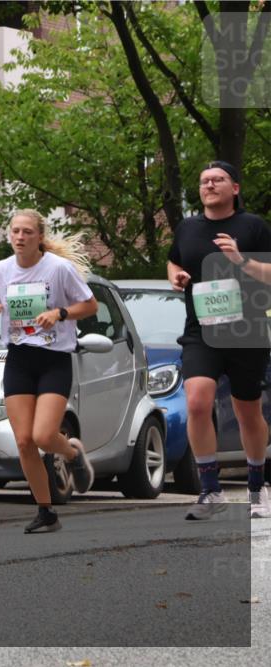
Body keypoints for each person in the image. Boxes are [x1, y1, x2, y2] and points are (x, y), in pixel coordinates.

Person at [0, 209, 98, 533]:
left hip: (54, 359)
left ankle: (72, 454)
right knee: (24, 442)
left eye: (27, 232)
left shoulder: (58, 269)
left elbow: (90, 305)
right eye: (15, 231)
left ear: (39, 237)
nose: (20, 237)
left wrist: (59, 313)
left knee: (43, 435)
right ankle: (46, 510)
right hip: (18, 358)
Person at [167, 160, 271, 520]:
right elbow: (173, 261)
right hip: (202, 329)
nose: (209, 185)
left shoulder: (253, 226)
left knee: (248, 411)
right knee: (196, 402)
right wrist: (176, 276)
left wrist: (242, 261)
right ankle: (210, 490)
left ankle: (257, 486)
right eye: (204, 181)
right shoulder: (188, 227)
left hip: (247, 329)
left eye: (218, 179)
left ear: (235, 188)